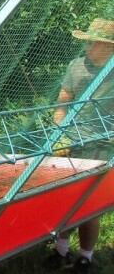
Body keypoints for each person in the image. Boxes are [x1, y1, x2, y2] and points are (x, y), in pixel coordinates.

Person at [44, 18, 114, 273]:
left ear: (108, 46)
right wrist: (60, 132)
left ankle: (86, 257)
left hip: (106, 145)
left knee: (90, 206)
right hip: (72, 141)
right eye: (88, 41)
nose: (88, 46)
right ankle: (60, 250)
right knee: (66, 199)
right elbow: (62, 102)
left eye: (94, 42)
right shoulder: (76, 67)